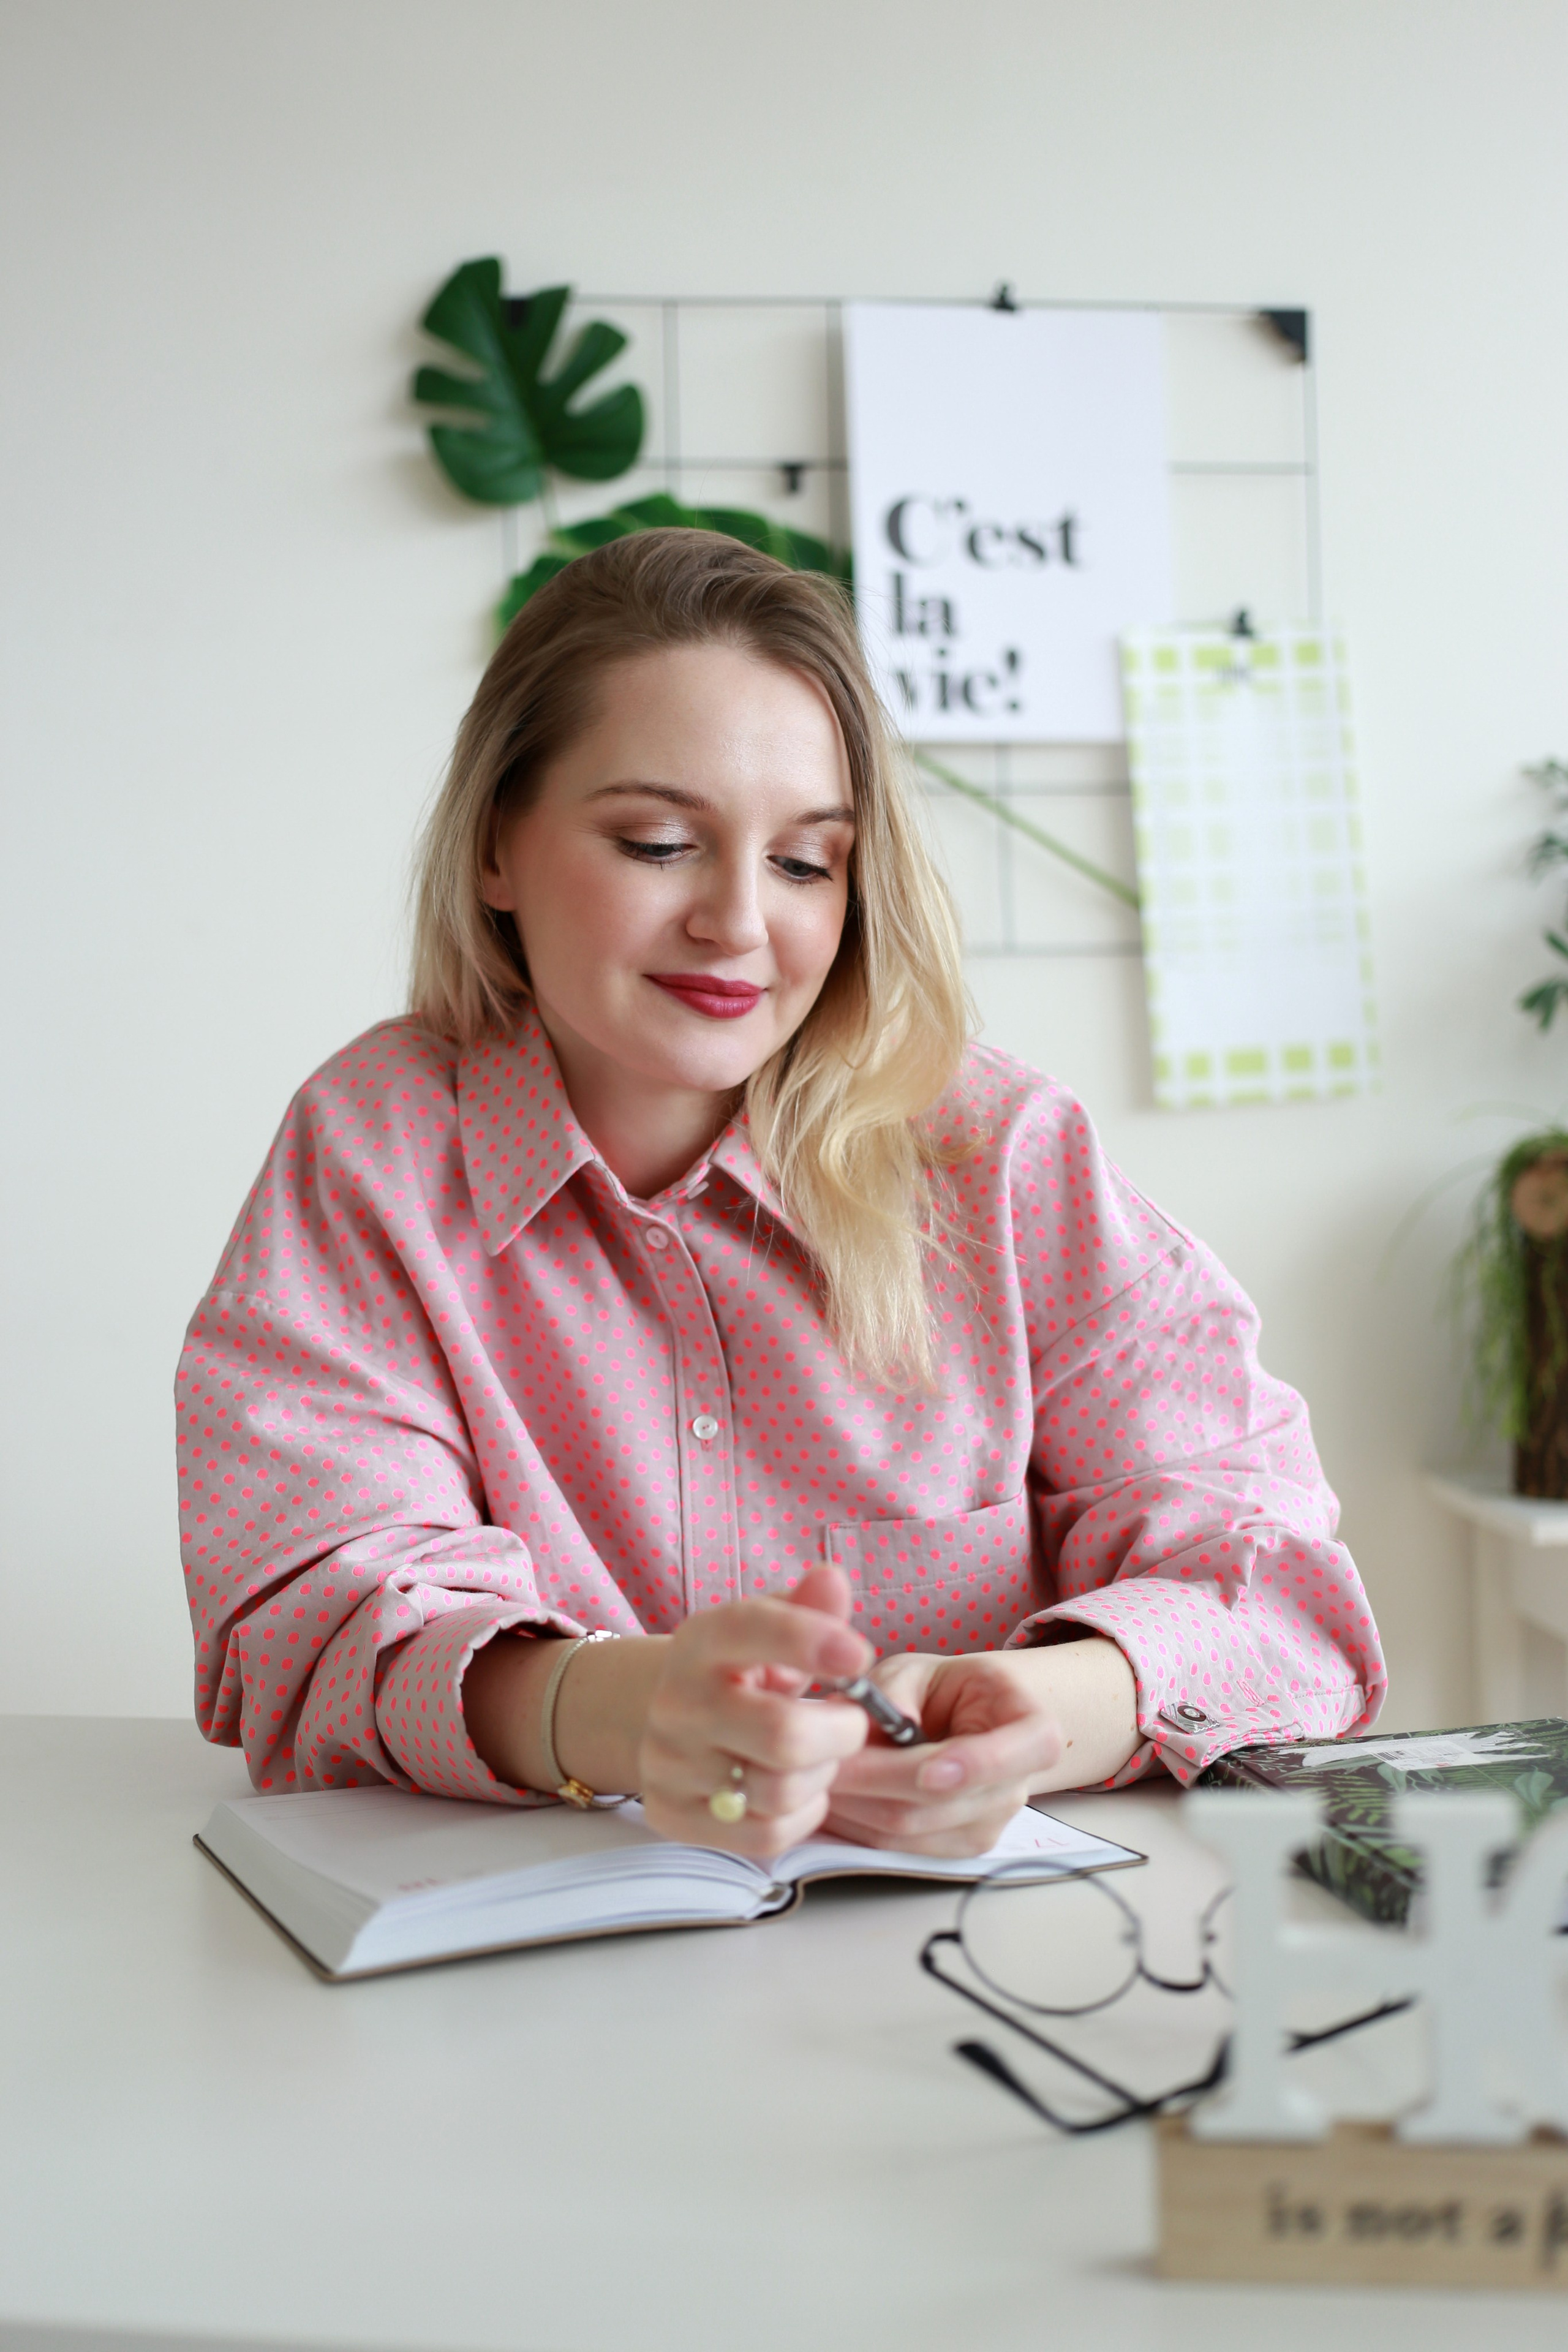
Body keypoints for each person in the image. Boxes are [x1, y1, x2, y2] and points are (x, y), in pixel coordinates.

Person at [176, 529, 1385, 1861]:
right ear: (493, 851)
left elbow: (1271, 1582)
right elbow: (315, 1626)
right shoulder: (372, 1150)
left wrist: (1036, 1714)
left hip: (974, 1966)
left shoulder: (1001, 1155)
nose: (738, 922)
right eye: (655, 843)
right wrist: (625, 1713)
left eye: (805, 862)